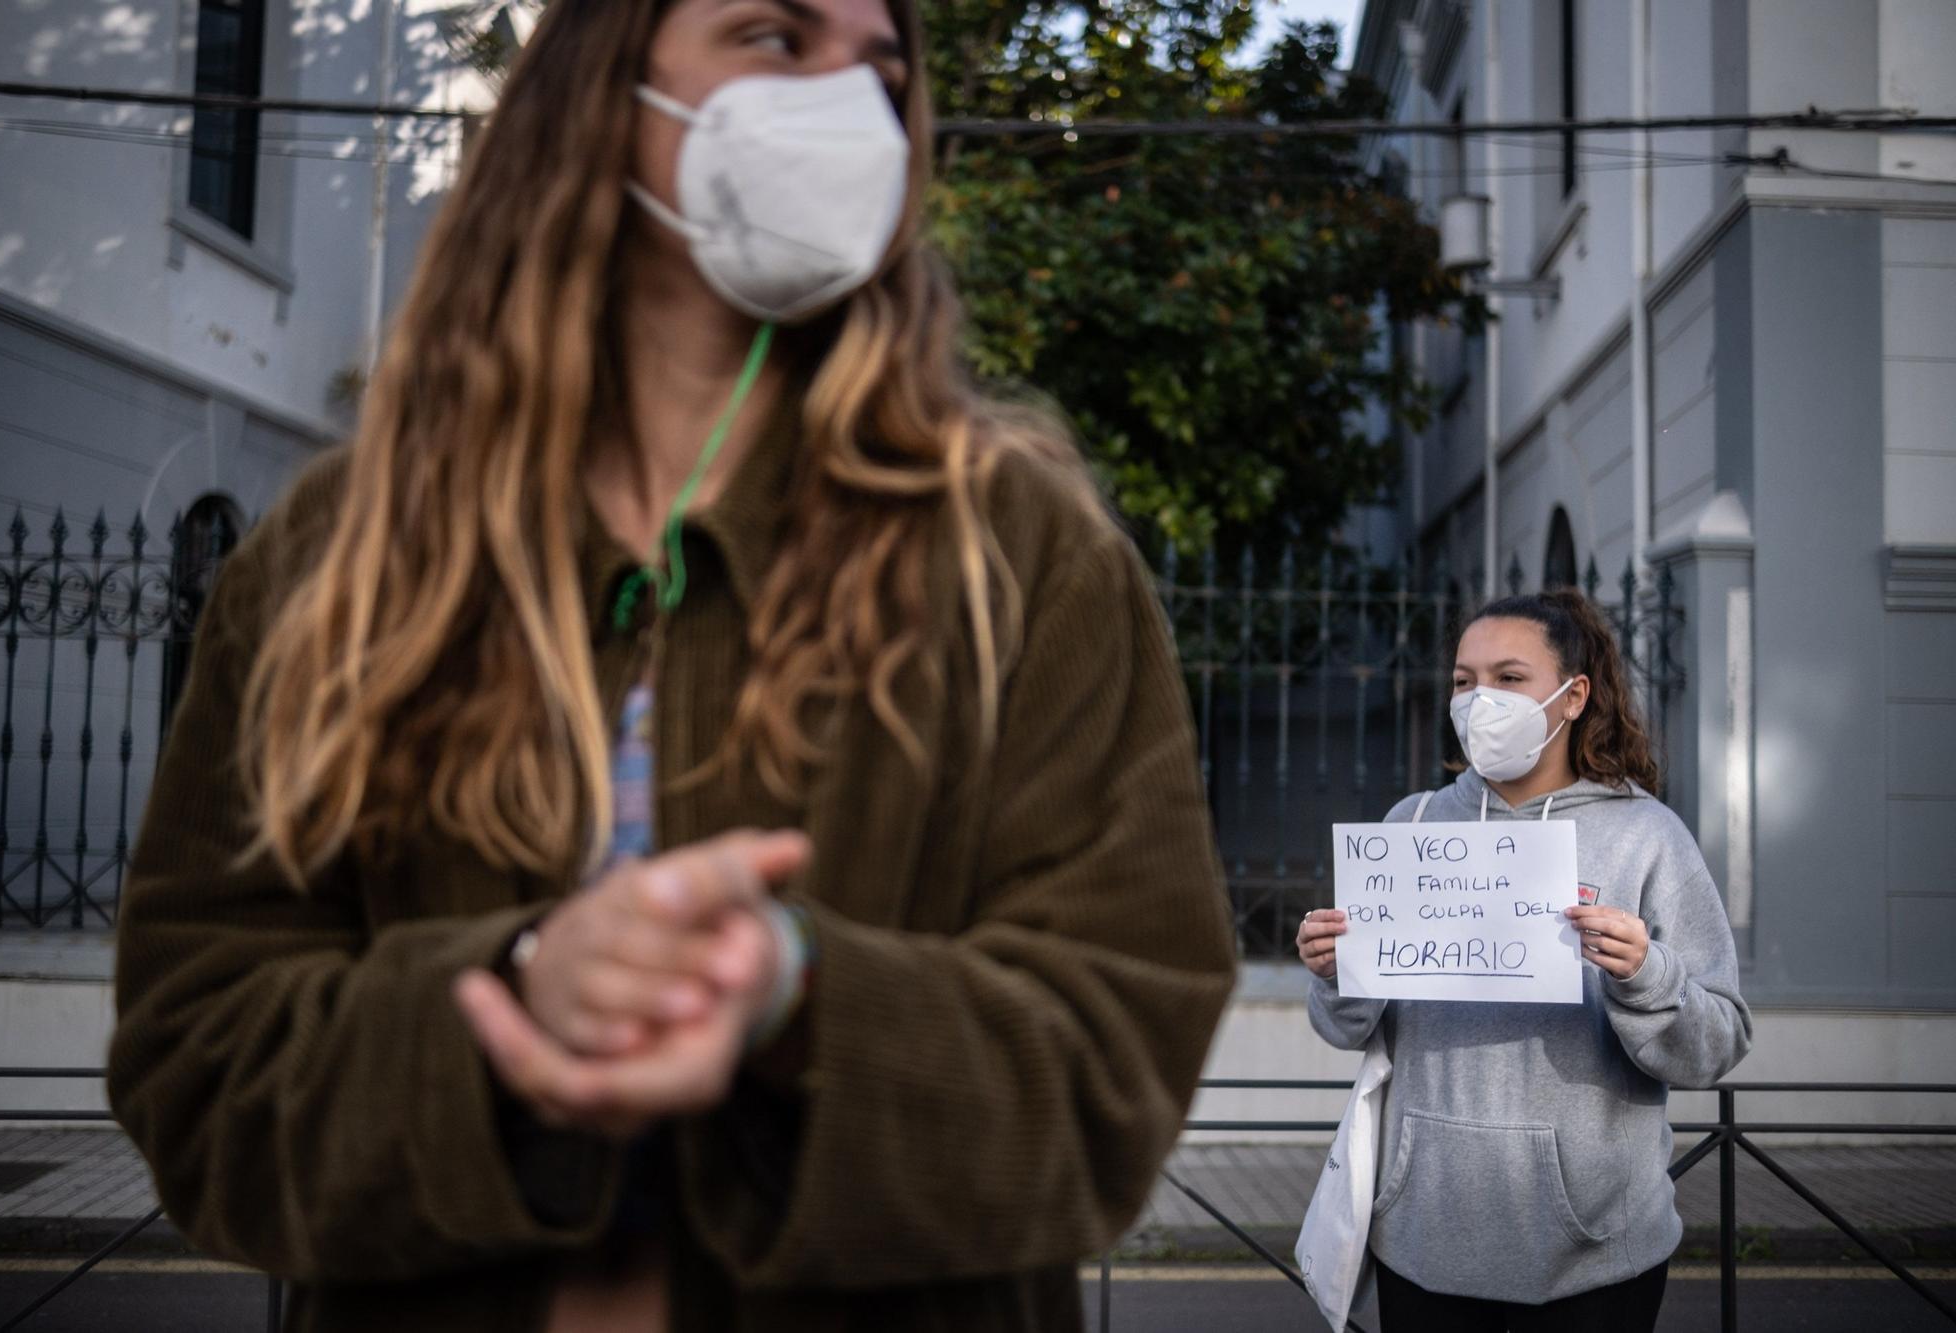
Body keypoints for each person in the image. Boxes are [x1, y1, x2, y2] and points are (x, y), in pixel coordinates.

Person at [105, 1, 1237, 1329]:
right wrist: (520, 994)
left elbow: (1117, 1067)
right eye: (774, 37)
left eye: (881, 69)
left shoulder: (1021, 558)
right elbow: (199, 1061)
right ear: (602, 88)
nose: (849, 106)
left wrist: (793, 987)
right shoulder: (341, 555)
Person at [1296, 588, 1751, 1332]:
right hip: (1423, 1241)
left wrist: (1646, 972)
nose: (1481, 701)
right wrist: (1332, 972)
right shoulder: (1409, 826)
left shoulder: (1649, 836)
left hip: (1596, 1256)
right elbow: (1348, 1028)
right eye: (1463, 680)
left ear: (1573, 697)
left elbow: (1718, 1042)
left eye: (1509, 678)